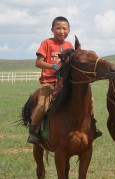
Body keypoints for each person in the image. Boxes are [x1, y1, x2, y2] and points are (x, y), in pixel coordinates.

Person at [27, 16, 101, 144]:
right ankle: (33, 130)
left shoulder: (69, 45)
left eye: (64, 28)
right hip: (49, 82)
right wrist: (53, 66)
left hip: (66, 82)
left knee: (90, 100)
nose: (61, 31)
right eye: (58, 28)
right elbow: (38, 63)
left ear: (69, 30)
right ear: (52, 29)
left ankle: (92, 125)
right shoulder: (47, 43)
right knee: (43, 105)